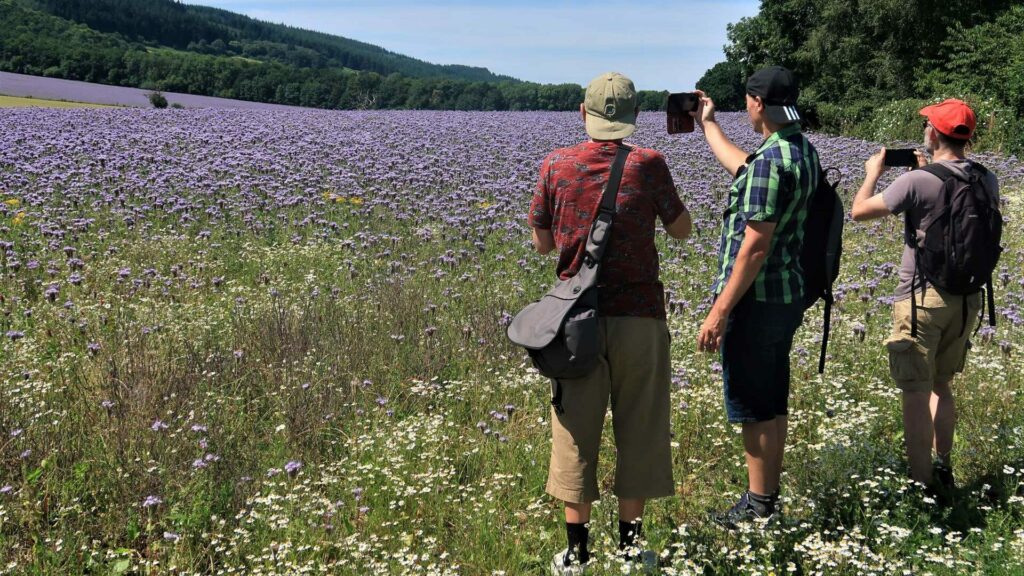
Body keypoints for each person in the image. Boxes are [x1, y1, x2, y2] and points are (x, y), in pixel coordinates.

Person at [528, 71, 691, 573]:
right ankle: (629, 549)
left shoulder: (555, 165)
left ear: (584, 112)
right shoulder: (649, 164)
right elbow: (682, 230)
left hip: (576, 322)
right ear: (634, 116)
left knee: (575, 429)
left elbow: (543, 243)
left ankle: (576, 554)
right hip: (640, 317)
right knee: (640, 425)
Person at [691, 66, 819, 527]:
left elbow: (756, 244)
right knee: (771, 397)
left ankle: (758, 505)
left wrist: (719, 310)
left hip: (756, 300)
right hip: (785, 295)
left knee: (752, 403)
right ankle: (766, 496)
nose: (745, 107)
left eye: (746, 100)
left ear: (758, 104)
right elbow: (745, 167)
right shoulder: (798, 149)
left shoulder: (770, 160)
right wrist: (709, 124)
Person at [850, 99, 999, 491]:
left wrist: (873, 173)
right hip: (968, 299)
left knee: (914, 392)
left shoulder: (916, 181)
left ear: (934, 133)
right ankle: (943, 467)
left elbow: (860, 211)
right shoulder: (987, 179)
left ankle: (921, 486)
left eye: (927, 126)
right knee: (942, 385)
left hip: (921, 299)